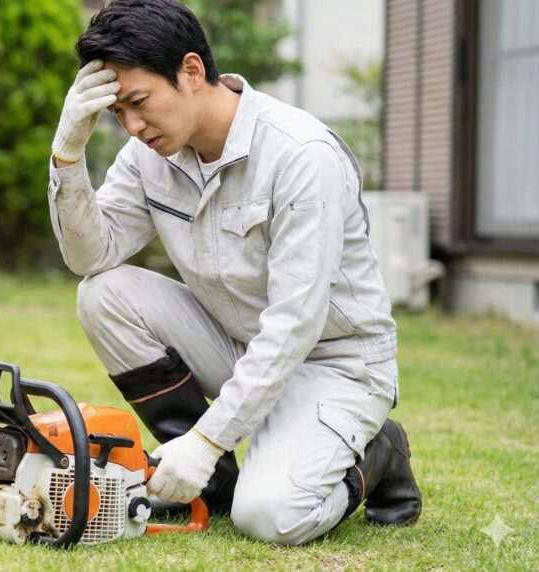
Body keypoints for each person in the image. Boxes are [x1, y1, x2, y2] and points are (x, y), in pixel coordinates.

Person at [47, 0, 421, 545]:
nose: (132, 125)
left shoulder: (300, 155)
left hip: (333, 363)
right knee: (102, 293)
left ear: (192, 71)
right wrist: (67, 152)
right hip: (239, 344)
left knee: (270, 517)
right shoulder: (148, 154)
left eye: (139, 102)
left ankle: (378, 453)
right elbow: (89, 256)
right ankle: (211, 487)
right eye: (117, 113)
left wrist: (207, 438)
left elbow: (296, 323)